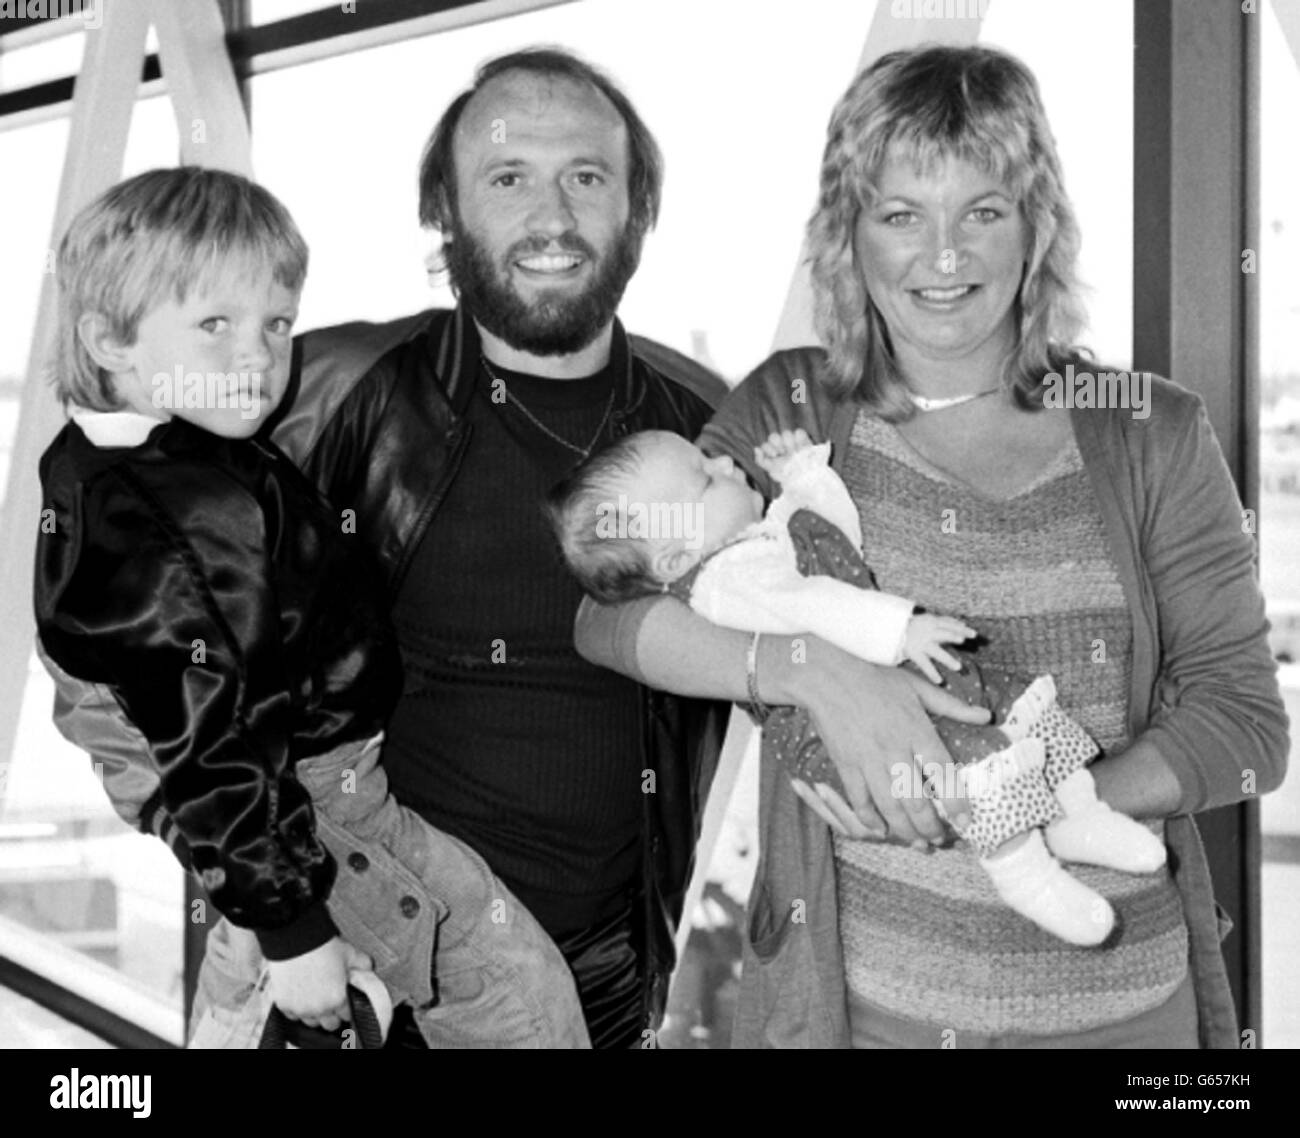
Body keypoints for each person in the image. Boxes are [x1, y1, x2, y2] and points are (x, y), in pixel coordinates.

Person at [576, 45, 1289, 1047]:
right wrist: (814, 671)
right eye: (900, 214)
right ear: (848, 235)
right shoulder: (792, 404)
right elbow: (608, 603)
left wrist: (1041, 797)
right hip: (864, 1016)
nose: (943, 257)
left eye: (982, 212)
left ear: (1036, 225)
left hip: (1127, 1021)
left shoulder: (1145, 427)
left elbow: (1247, 727)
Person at [39, 47, 740, 1048]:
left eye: (587, 176)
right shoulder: (302, 395)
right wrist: (272, 900)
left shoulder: (705, 425)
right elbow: (108, 670)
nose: (552, 215)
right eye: (507, 176)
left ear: (637, 209)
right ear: (445, 213)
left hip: (605, 975)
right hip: (351, 954)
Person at [34, 166, 589, 1048]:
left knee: (267, 973)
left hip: (294, 800)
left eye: (276, 323)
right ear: (110, 342)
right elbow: (207, 744)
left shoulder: (136, 457)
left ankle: (236, 996)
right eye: (214, 324)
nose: (257, 355)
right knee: (515, 989)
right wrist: (292, 932)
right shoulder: (169, 516)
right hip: (316, 804)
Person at [549, 425, 1167, 946]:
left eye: (708, 456)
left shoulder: (747, 543)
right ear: (674, 560)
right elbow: (816, 601)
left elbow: (830, 537)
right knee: (972, 763)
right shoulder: (726, 579)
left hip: (892, 682)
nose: (724, 460)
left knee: (1011, 706)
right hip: (835, 726)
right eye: (706, 477)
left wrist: (801, 474)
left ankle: (1072, 813)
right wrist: (900, 633)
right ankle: (1028, 877)